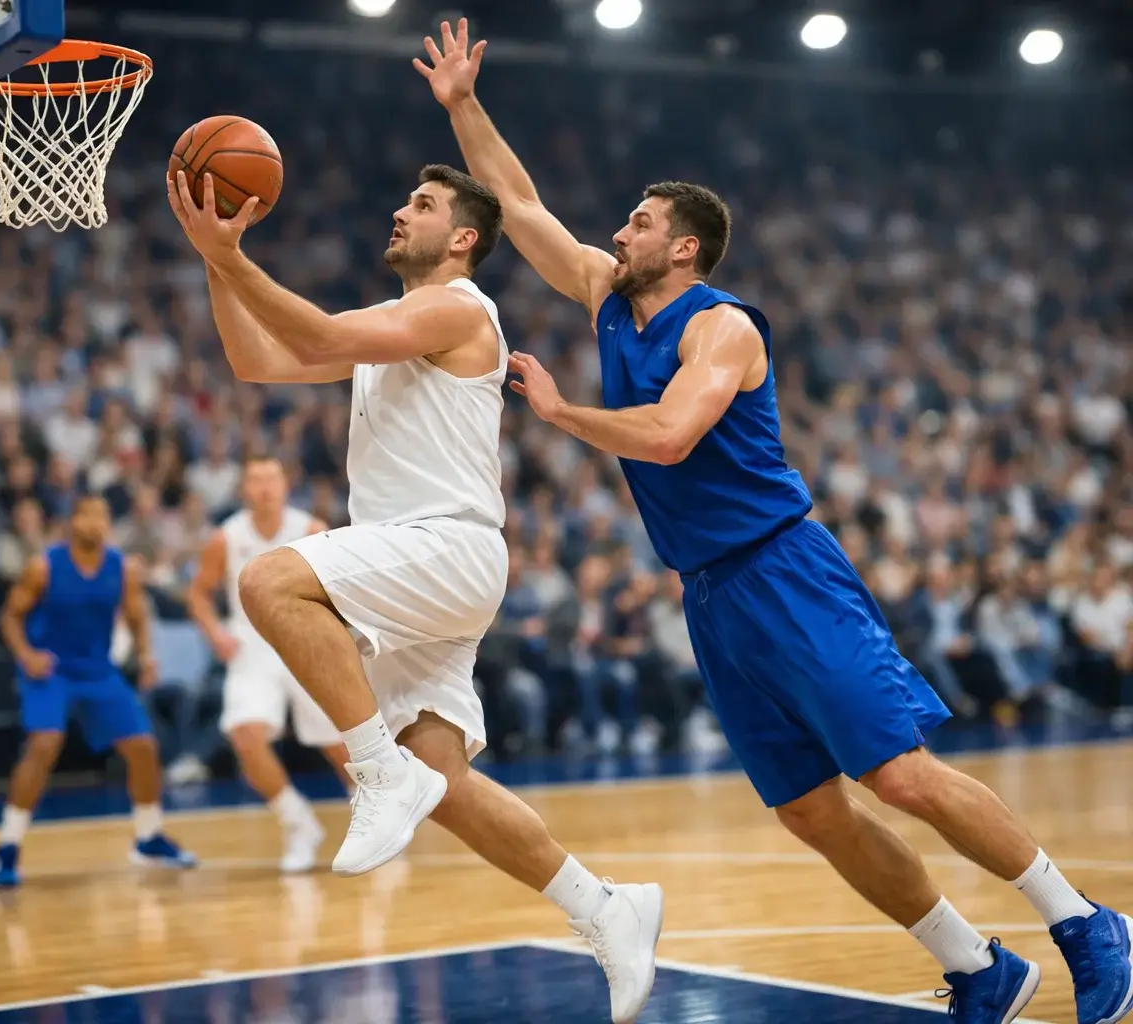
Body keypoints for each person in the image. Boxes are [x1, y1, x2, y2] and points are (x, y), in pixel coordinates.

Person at [418, 19, 1133, 1024]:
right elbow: (523, 203)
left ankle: (1084, 918)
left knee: (901, 775)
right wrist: (462, 106)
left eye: (637, 221)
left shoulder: (723, 327)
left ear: (686, 245)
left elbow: (668, 436)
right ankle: (977, 965)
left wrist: (562, 413)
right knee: (808, 809)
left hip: (782, 566)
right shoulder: (607, 300)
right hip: (709, 593)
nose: (618, 232)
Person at [167, 163, 659, 1019]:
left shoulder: (457, 308)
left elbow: (316, 338)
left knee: (268, 579)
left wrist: (235, 259)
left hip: (442, 545)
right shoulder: (397, 324)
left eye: (422, 206)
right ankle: (606, 908)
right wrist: (217, 258)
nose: (400, 211)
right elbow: (255, 359)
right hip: (425, 560)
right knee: (447, 784)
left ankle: (373, 773)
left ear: (463, 237)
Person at [0, 494, 195, 887]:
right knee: (45, 744)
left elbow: (136, 615)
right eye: (88, 516)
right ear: (72, 522)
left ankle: (148, 837)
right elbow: (9, 617)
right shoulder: (43, 567)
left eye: (103, 516)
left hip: (99, 670)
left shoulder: (121, 569)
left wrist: (148, 654)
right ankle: (7, 847)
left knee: (143, 748)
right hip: (51, 669)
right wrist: (26, 654)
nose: (96, 523)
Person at [186, 454, 348, 873]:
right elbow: (198, 592)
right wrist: (216, 634)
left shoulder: (310, 530)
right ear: (244, 489)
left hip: (306, 642)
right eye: (255, 479)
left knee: (337, 744)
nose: (263, 487)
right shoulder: (226, 537)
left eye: (270, 478)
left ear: (284, 485)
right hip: (252, 648)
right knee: (245, 736)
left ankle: (371, 809)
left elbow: (341, 588)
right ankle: (299, 824)